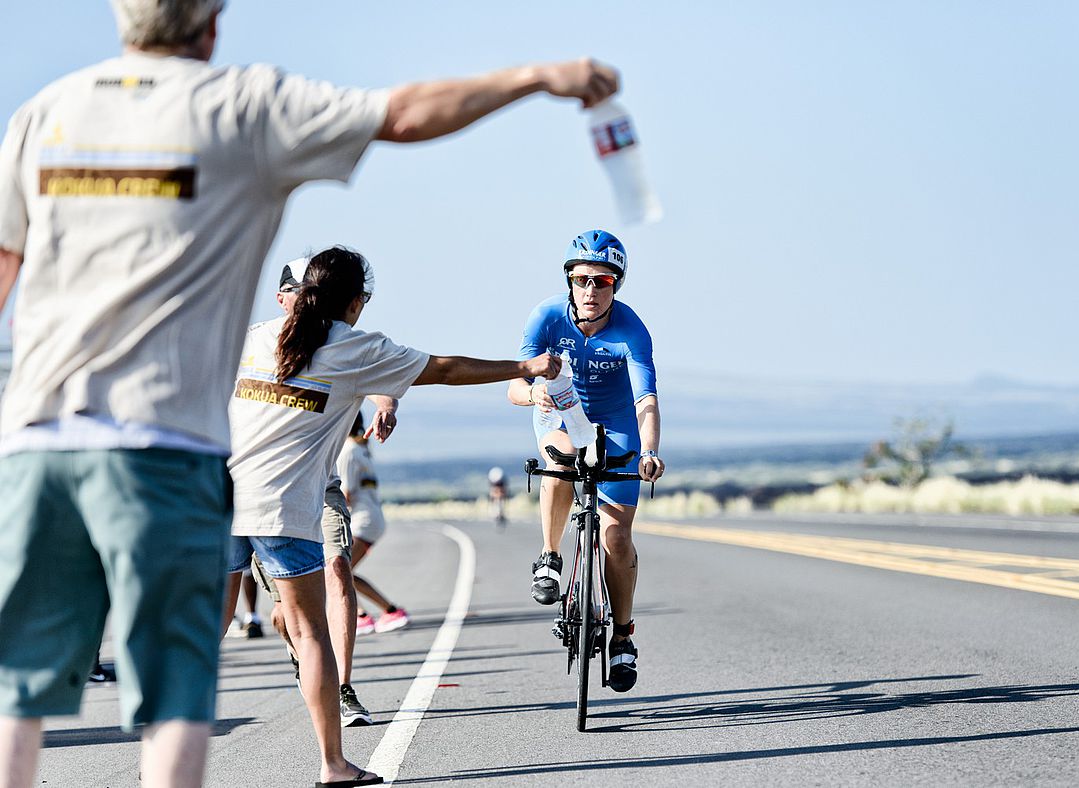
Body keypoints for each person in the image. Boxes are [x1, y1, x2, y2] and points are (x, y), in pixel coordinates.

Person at [0, 0, 618, 781]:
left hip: (33, 440)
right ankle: (332, 761)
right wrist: (538, 76)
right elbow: (404, 114)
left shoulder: (43, 113)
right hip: (163, 450)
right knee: (184, 682)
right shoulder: (243, 109)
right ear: (212, 26)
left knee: (21, 690)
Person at [225, 245, 559, 785]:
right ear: (356, 303)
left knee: (205, 631)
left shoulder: (259, 336)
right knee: (311, 635)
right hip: (283, 510)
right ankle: (334, 764)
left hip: (222, 498)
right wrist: (523, 366)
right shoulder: (354, 346)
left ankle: (168, 755)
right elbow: (446, 369)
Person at [508, 230, 665, 693]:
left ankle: (622, 636)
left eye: (603, 281)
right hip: (560, 413)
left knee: (616, 535)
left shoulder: (632, 330)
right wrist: (534, 391)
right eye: (582, 280)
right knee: (561, 455)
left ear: (616, 285)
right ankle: (550, 556)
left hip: (617, 422)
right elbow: (513, 386)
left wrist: (651, 450)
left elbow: (646, 401)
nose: (591, 290)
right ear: (569, 281)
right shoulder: (546, 316)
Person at [252, 258, 400, 729]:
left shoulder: (341, 343)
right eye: (298, 291)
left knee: (338, 568)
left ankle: (342, 687)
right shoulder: (259, 341)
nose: (308, 300)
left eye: (313, 291)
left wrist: (386, 405)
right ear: (283, 298)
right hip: (266, 493)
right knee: (285, 611)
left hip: (323, 485)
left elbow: (385, 376)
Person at [337, 414, 410, 635]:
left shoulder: (347, 452)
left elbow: (344, 494)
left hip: (362, 520)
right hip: (371, 518)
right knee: (341, 571)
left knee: (340, 571)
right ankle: (368, 613)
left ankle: (381, 612)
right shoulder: (361, 449)